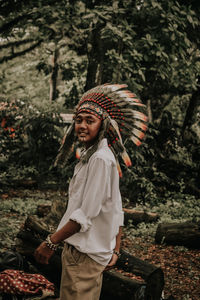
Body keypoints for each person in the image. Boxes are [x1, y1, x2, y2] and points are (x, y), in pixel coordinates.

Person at [34, 84, 147, 300]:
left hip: (83, 256)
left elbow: (84, 216)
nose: (82, 125)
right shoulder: (94, 157)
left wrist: (49, 243)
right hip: (86, 254)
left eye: (89, 120)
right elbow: (115, 207)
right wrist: (115, 249)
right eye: (78, 120)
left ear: (103, 124)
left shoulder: (100, 159)